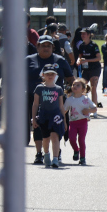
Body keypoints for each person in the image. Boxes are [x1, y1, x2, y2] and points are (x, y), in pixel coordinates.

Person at [26, 35, 73, 163]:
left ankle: (56, 152)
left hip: (56, 99)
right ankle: (39, 153)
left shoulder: (60, 60)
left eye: (48, 46)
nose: (46, 48)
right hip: (34, 98)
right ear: (37, 46)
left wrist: (75, 94)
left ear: (52, 47)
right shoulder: (28, 60)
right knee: (37, 125)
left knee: (57, 126)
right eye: (43, 45)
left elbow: (70, 78)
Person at [31, 64, 66, 169]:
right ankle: (46, 154)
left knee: (55, 136)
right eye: (47, 74)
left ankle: (55, 159)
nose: (50, 76)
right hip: (44, 115)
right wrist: (33, 118)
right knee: (45, 138)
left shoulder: (59, 89)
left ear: (56, 75)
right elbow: (35, 104)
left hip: (56, 116)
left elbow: (61, 106)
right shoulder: (39, 88)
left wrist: (64, 121)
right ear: (43, 75)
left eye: (52, 74)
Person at [65, 79, 97, 165]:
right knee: (71, 139)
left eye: (78, 85)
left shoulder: (86, 99)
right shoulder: (69, 100)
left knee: (81, 140)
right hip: (73, 122)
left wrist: (88, 110)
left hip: (83, 122)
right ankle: (76, 150)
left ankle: (82, 158)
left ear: (83, 89)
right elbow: (64, 111)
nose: (75, 86)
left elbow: (94, 108)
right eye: (73, 85)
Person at [77, 28, 102, 108]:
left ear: (88, 35)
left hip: (95, 69)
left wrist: (87, 60)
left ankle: (94, 108)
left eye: (84, 34)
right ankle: (83, 106)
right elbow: (79, 57)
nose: (82, 35)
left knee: (93, 88)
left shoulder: (94, 45)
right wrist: (78, 61)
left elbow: (99, 58)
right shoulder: (81, 45)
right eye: (81, 34)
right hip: (86, 69)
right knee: (81, 87)